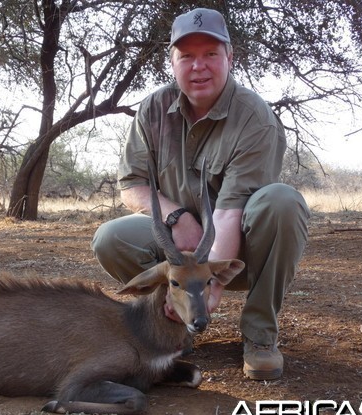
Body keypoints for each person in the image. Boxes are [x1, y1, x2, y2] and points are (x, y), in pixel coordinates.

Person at [91, 7, 310, 381]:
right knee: (110, 238)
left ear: (230, 57)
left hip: (236, 255)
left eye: (210, 54)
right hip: (178, 248)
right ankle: (173, 326)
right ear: (172, 62)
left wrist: (210, 292)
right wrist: (177, 218)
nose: (199, 66)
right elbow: (133, 185)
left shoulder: (255, 117)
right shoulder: (153, 108)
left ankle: (259, 336)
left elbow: (227, 214)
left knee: (282, 203)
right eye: (187, 56)